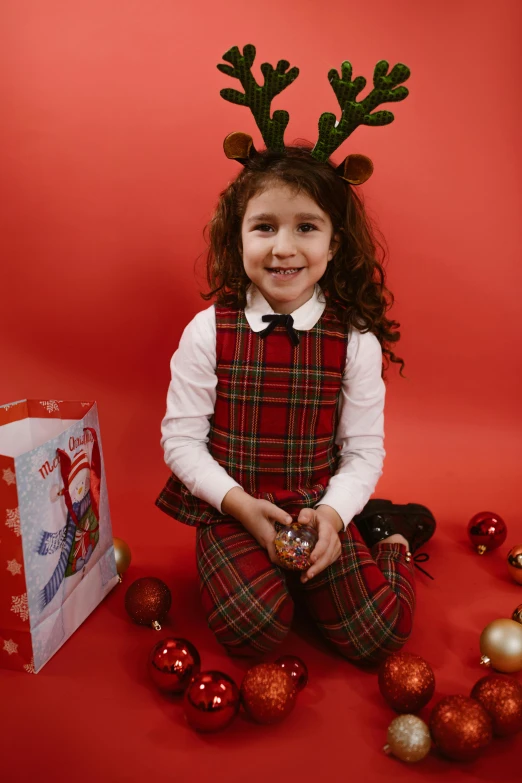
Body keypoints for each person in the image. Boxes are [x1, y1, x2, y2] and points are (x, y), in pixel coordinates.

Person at [156, 46, 436, 664]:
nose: (284, 248)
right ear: (239, 236)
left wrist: (334, 517)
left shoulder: (353, 339)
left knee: (378, 636)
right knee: (251, 631)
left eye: (307, 227)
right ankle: (259, 570)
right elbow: (181, 441)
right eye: (265, 227)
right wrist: (236, 506)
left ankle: (386, 538)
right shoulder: (208, 331)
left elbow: (363, 450)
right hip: (234, 508)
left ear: (336, 244)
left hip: (315, 510)